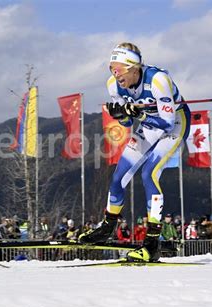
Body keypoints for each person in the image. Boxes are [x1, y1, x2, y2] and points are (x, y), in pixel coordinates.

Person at [79, 42, 190, 262]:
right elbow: (128, 120)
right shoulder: (113, 85)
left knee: (149, 173)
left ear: (133, 68)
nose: (115, 73)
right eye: (111, 68)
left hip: (175, 124)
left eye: (119, 69)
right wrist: (121, 115)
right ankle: (107, 227)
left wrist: (137, 116)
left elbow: (167, 124)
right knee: (119, 176)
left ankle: (152, 243)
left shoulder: (158, 81)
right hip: (149, 125)